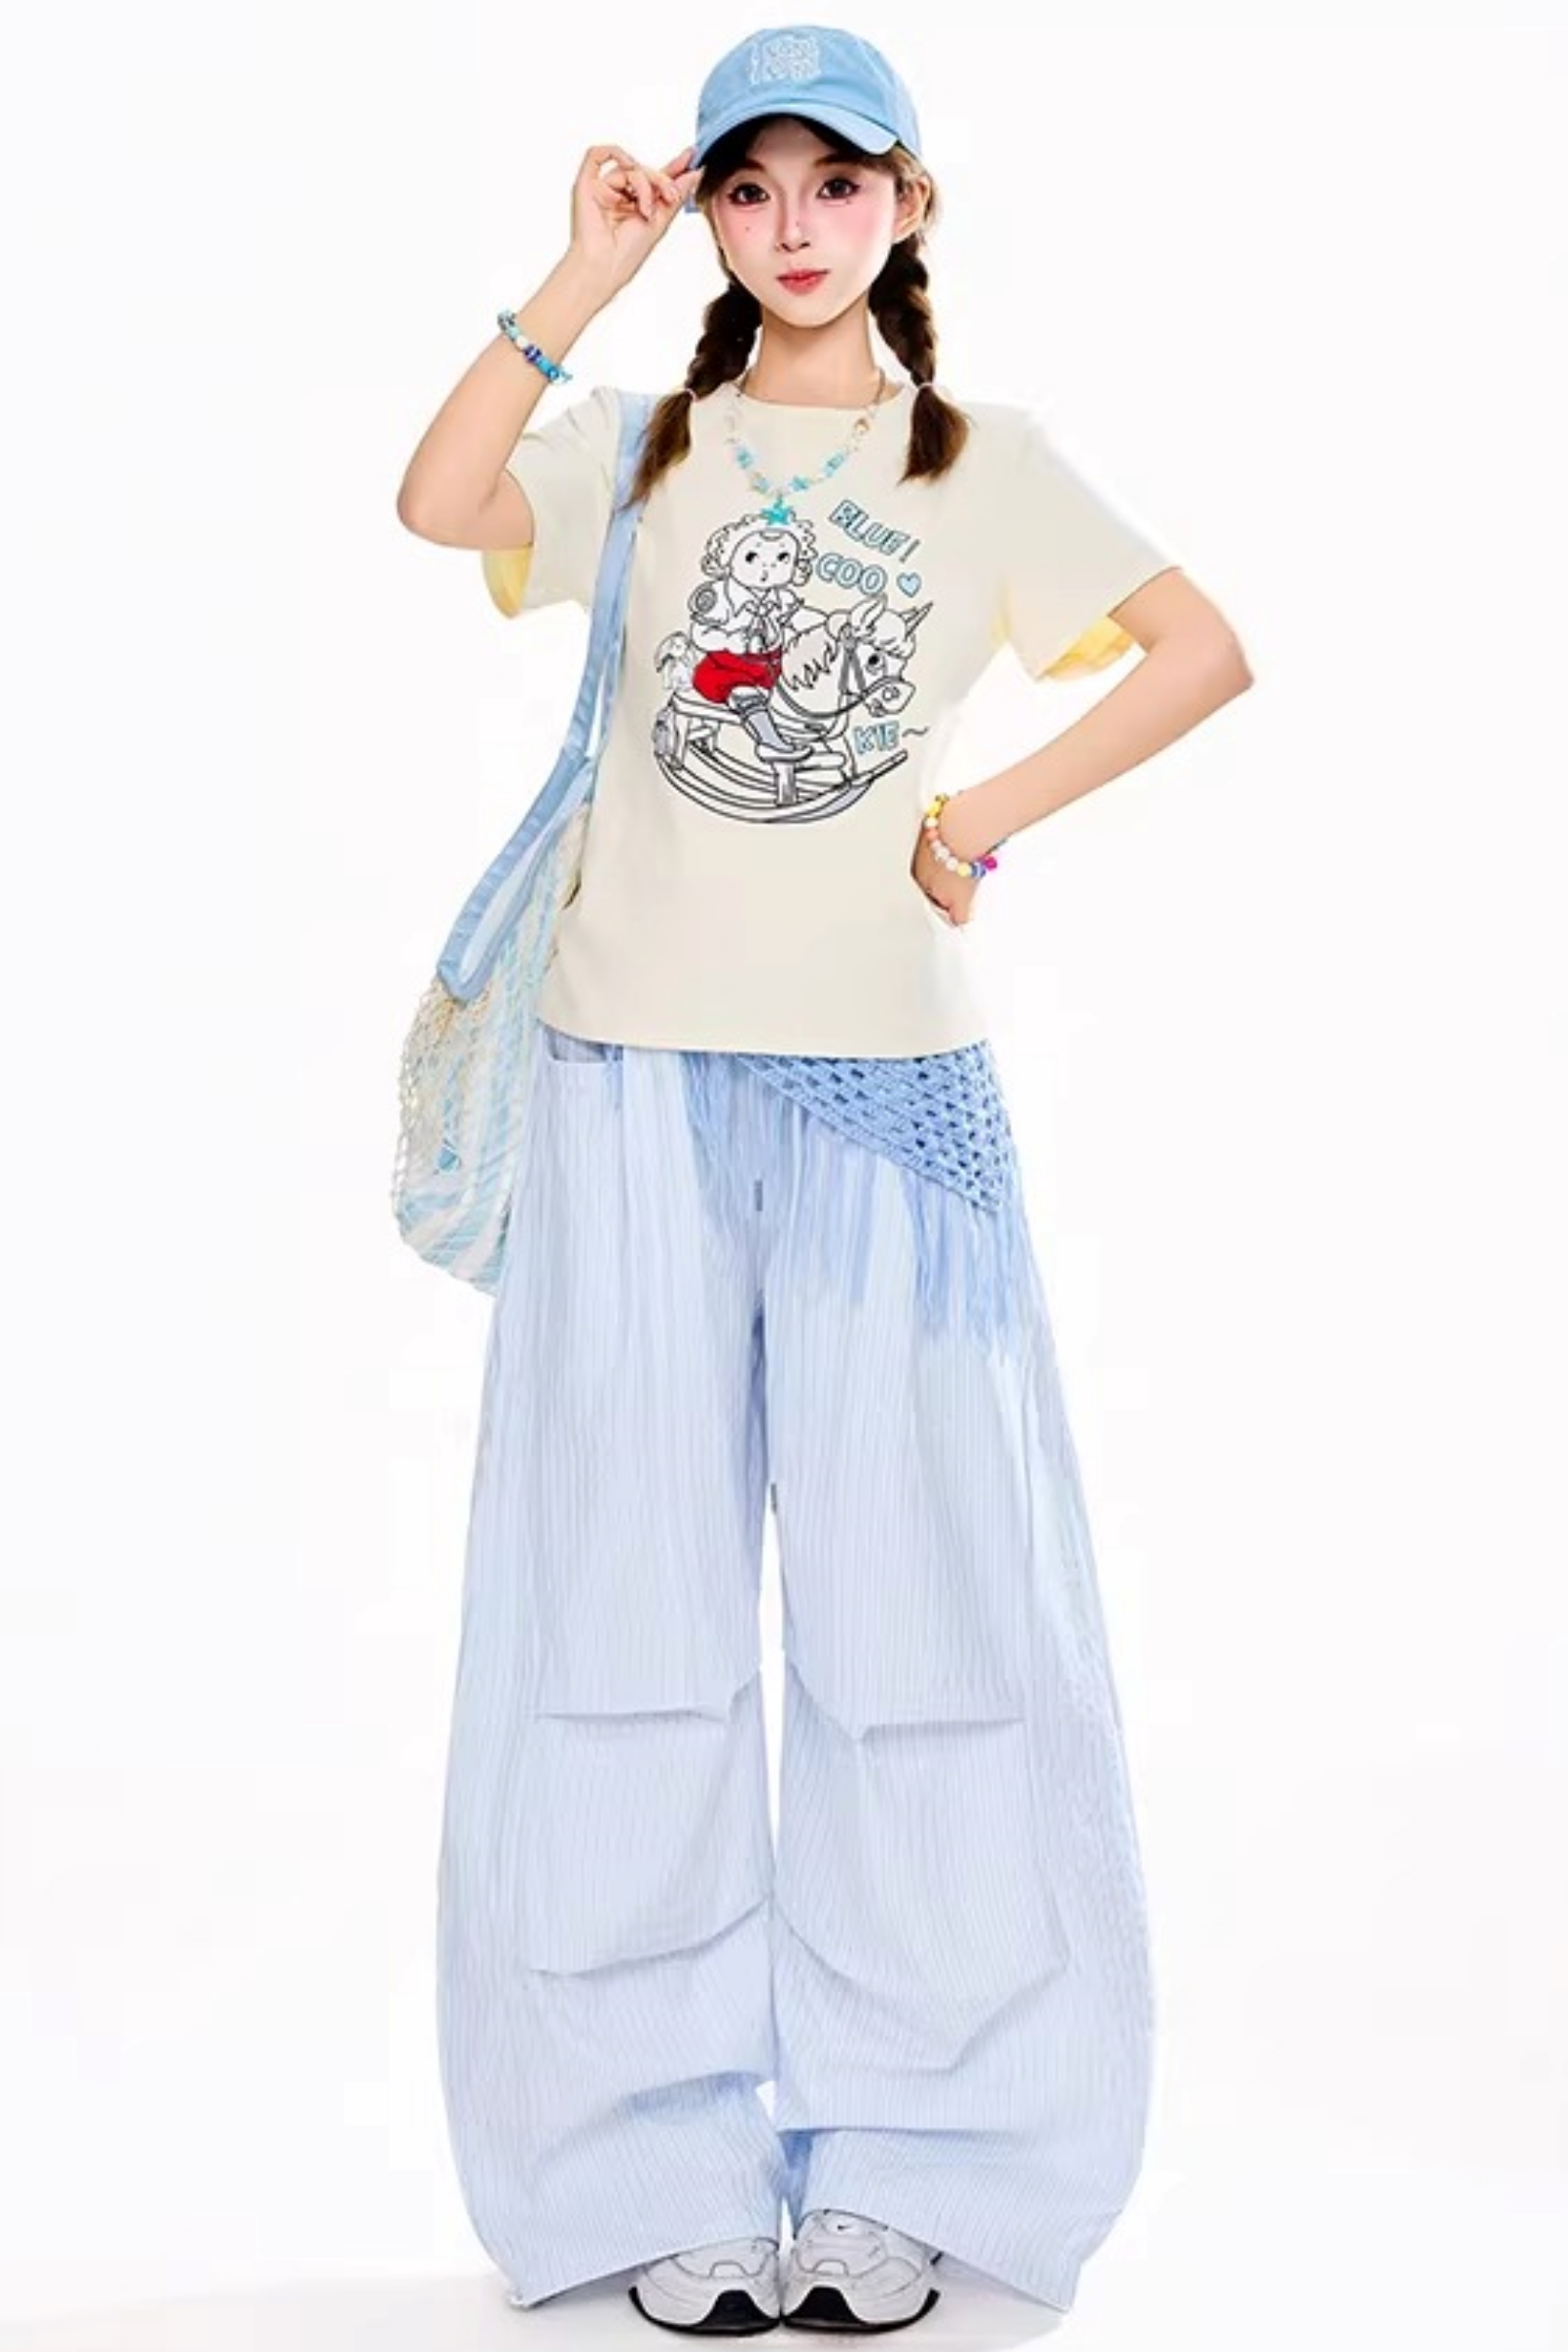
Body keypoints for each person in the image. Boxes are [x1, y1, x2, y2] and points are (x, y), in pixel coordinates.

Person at [397, 21, 1252, 2337]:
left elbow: (1198, 651)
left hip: (891, 1103)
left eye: (836, 183)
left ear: (906, 206)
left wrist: (980, 816)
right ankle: (642, 2164)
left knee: (922, 1646)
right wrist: (579, 272)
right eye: (750, 185)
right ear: (710, 207)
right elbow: (437, 502)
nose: (793, 225)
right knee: (621, 1634)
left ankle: (915, 2160)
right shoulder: (640, 448)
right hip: (620, 1088)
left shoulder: (982, 466)